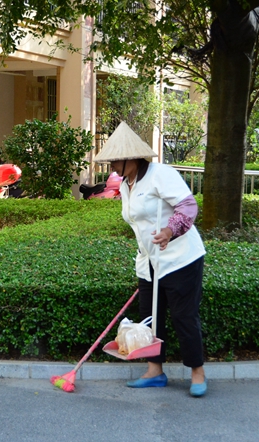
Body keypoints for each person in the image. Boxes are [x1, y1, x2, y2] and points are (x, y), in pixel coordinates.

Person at [93, 122, 208, 397]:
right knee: (150, 318)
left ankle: (197, 373)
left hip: (180, 259)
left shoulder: (160, 175)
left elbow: (188, 205)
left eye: (116, 161)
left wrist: (170, 230)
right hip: (149, 262)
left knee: (184, 317)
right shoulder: (125, 183)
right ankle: (155, 371)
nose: (113, 167)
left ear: (132, 157)